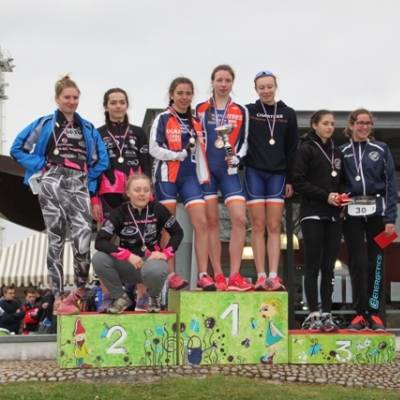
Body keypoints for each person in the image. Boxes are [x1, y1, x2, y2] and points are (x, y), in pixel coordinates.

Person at [10, 75, 109, 315]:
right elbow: (17, 148)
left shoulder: (87, 127)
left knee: (83, 237)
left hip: (78, 182)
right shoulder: (44, 123)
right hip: (52, 180)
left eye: (75, 97)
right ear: (57, 99)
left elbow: (102, 159)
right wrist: (41, 166)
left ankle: (80, 291)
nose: (71, 101)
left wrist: (88, 178)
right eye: (67, 97)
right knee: (55, 238)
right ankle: (58, 294)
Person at [149, 77, 213, 290]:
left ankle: (203, 274)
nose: (184, 97)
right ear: (172, 94)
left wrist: (204, 173)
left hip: (189, 177)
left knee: (201, 222)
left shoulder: (196, 121)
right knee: (168, 226)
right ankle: (171, 273)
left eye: (188, 93)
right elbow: (154, 148)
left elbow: (201, 150)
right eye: (180, 93)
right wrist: (177, 155)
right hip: (167, 176)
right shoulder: (163, 118)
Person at [91, 87, 151, 311]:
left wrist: (150, 194)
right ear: (106, 106)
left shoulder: (138, 132)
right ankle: (110, 296)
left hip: (137, 194)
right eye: (113, 102)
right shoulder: (97, 133)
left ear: (127, 105)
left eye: (121, 102)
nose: (118, 106)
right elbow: (93, 168)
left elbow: (146, 164)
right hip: (108, 194)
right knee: (106, 246)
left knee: (141, 243)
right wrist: (94, 199)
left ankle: (142, 296)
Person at [340, 109, 397, 331]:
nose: (364, 127)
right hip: (352, 214)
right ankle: (359, 314)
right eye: (360, 123)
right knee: (358, 262)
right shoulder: (342, 151)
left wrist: (390, 217)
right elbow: (338, 182)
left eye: (368, 123)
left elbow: (390, 184)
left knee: (377, 262)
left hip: (377, 213)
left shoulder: (381, 149)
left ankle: (374, 313)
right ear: (351, 125)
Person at [92, 174, 184, 313]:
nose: (142, 194)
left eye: (146, 190)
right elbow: (100, 241)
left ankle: (153, 297)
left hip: (150, 264)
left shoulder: (158, 209)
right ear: (128, 192)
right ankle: (120, 297)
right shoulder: (119, 212)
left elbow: (178, 232)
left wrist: (166, 254)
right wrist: (127, 255)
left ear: (150, 193)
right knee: (99, 258)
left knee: (159, 267)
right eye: (137, 190)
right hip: (128, 265)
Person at [195, 65, 251, 291]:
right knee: (212, 222)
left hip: (229, 172)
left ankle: (235, 274)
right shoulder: (200, 109)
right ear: (213, 81)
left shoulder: (240, 110)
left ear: (232, 83)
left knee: (240, 219)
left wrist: (238, 157)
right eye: (219, 80)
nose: (223, 84)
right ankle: (218, 274)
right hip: (208, 172)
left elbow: (245, 140)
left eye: (228, 80)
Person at [244, 70, 298, 291]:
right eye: (261, 87)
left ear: (276, 87)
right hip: (254, 172)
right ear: (256, 89)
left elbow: (292, 148)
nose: (266, 91)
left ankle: (273, 276)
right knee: (258, 225)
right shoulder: (248, 111)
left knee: (274, 225)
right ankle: (260, 275)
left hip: (278, 174)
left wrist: (290, 179)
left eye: (269, 86)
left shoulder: (288, 113)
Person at [293, 110, 346, 332]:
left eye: (332, 123)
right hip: (313, 213)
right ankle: (313, 313)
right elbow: (298, 181)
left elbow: (342, 181)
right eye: (325, 123)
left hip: (334, 216)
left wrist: (342, 196)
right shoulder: (306, 148)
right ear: (314, 125)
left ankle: (327, 314)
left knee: (329, 267)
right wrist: (325, 196)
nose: (329, 127)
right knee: (312, 265)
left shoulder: (337, 151)